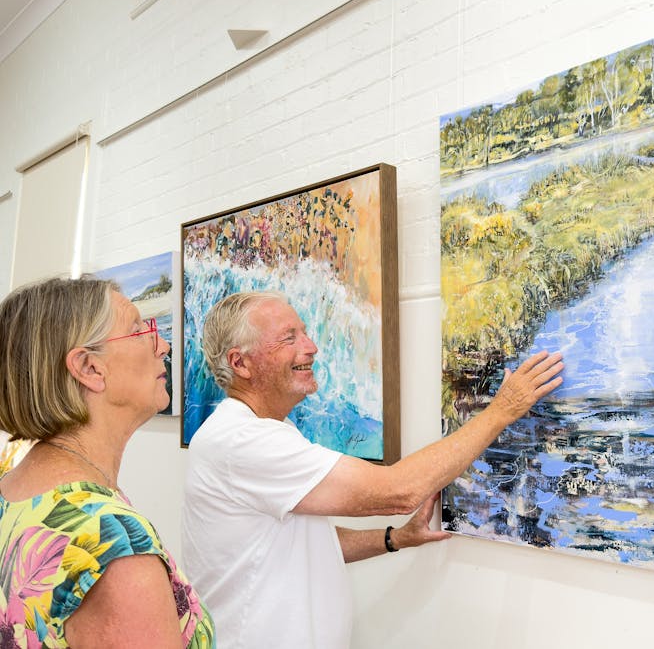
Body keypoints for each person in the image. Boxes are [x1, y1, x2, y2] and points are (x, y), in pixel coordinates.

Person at [182, 290, 563, 648]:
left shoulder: (264, 432)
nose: (311, 347)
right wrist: (502, 410)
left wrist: (394, 538)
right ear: (240, 363)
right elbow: (400, 490)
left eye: (305, 333)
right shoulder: (243, 443)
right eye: (289, 338)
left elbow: (300, 542)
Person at [0, 277, 215, 648]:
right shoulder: (115, 554)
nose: (162, 345)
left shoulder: (17, 488)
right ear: (89, 368)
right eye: (139, 330)